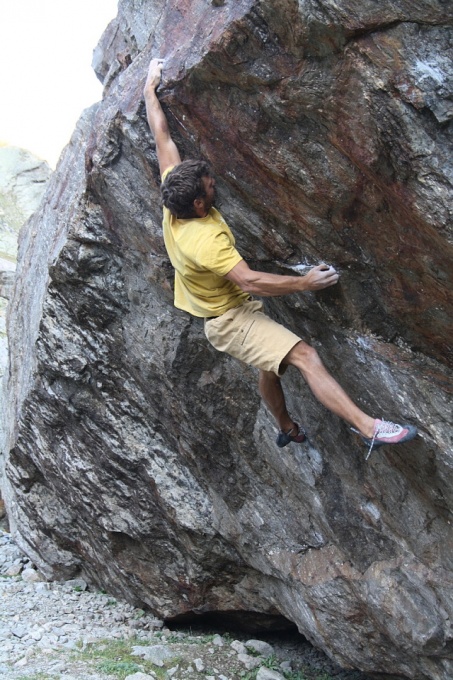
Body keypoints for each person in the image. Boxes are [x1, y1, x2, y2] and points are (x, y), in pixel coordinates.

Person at [143, 58, 417, 457]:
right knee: (304, 355)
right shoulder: (205, 240)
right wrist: (305, 283)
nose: (214, 182)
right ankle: (369, 427)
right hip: (229, 320)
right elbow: (250, 280)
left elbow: (162, 136)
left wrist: (150, 89)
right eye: (210, 186)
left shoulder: (175, 196)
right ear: (200, 204)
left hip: (225, 310)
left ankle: (286, 427)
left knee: (269, 364)